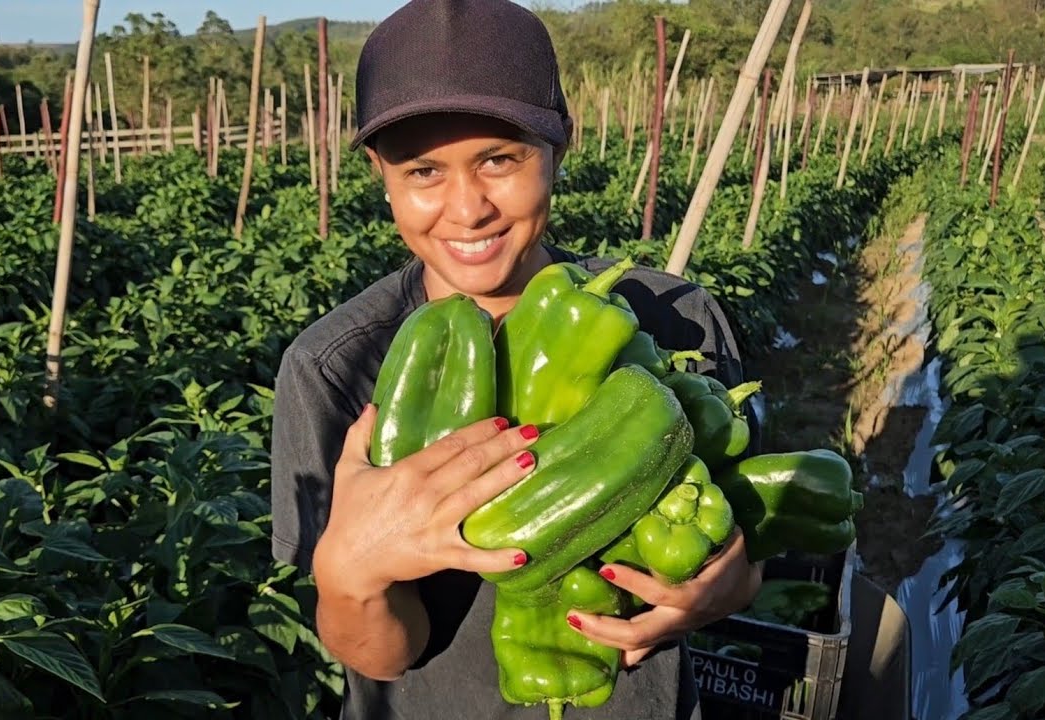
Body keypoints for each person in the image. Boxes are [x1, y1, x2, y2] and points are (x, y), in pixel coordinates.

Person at [270, 1, 764, 717]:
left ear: (557, 149)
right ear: (381, 174)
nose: (467, 208)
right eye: (423, 171)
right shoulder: (334, 366)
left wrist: (727, 587)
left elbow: (750, 542)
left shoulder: (677, 319)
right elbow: (380, 653)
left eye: (498, 160)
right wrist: (350, 573)